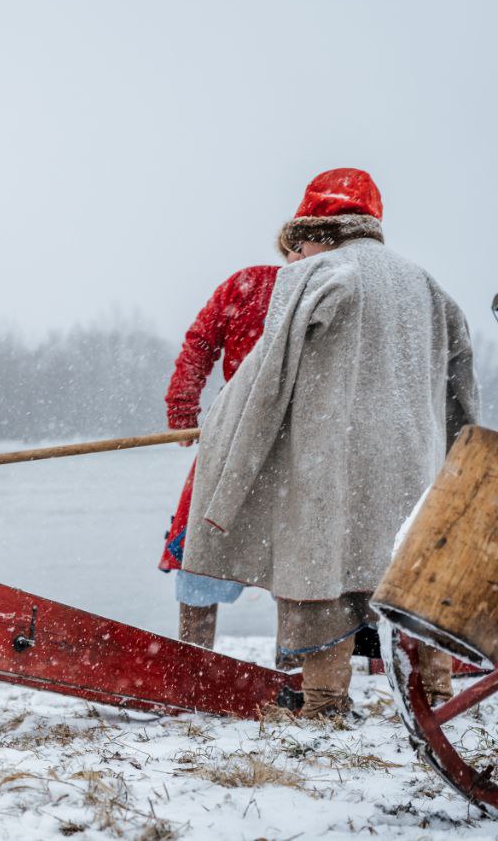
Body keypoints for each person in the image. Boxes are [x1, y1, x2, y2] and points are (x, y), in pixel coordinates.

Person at [182, 168, 478, 718]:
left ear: (320, 229)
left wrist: (227, 439)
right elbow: (462, 389)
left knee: (320, 574)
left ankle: (324, 703)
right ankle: (434, 695)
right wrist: (455, 462)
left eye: (299, 240)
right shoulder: (428, 286)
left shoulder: (318, 275)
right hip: (413, 464)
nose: (295, 253)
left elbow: (265, 382)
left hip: (328, 458)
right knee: (404, 574)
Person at [161, 240, 304, 648]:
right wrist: (183, 409)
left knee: (295, 558)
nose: (301, 257)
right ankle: (194, 661)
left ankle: (294, 670)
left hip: (303, 441)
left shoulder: (332, 289)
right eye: (295, 247)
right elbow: (201, 343)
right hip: (234, 432)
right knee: (201, 544)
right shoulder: (250, 284)